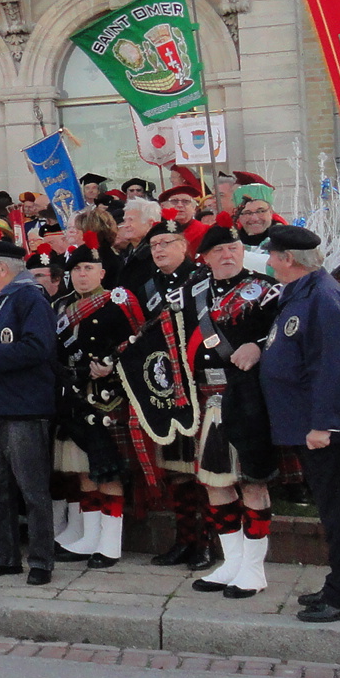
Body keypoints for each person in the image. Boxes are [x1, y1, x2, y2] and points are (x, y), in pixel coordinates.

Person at [258, 225, 340, 624]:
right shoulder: (301, 293)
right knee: (331, 510)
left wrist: (323, 424)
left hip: (328, 430)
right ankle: (338, 584)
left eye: (272, 254)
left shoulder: (322, 297)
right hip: (309, 425)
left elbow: (334, 368)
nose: (269, 261)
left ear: (288, 259)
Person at [189, 215, 284, 599]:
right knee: (216, 482)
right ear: (206, 257)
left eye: (233, 248)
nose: (227, 255)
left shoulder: (267, 290)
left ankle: (254, 568)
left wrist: (260, 346)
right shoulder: (195, 293)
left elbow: (287, 332)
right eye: (218, 250)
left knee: (252, 481)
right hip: (207, 399)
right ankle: (231, 561)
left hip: (247, 398)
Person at [0, 239, 59, 584]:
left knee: (32, 488)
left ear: (2, 268)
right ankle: (3, 556)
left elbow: (39, 347)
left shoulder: (30, 298)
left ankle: (41, 561)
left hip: (23, 406)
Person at [125, 211, 215, 571]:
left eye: (167, 243)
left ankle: (207, 543)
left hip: (199, 380)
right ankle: (185, 539)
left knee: (204, 470)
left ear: (184, 245)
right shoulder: (148, 286)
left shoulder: (202, 279)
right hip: (166, 385)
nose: (159, 250)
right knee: (177, 467)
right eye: (155, 244)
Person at [49, 233, 142, 567]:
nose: (82, 274)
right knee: (83, 470)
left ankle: (111, 543)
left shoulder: (119, 301)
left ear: (103, 272)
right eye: (76, 269)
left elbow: (137, 344)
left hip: (108, 398)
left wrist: (111, 367)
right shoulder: (61, 306)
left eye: (89, 268)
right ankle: (90, 537)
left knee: (108, 471)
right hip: (73, 397)